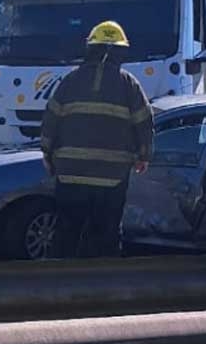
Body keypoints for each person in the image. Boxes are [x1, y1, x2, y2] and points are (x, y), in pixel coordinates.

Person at [41, 21, 154, 258]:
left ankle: (56, 288)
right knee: (106, 237)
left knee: (66, 236)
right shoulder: (128, 84)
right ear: (121, 52)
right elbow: (144, 122)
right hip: (111, 179)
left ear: (90, 48)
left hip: (70, 175)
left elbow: (50, 122)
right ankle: (102, 288)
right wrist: (143, 156)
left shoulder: (70, 81)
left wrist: (47, 155)